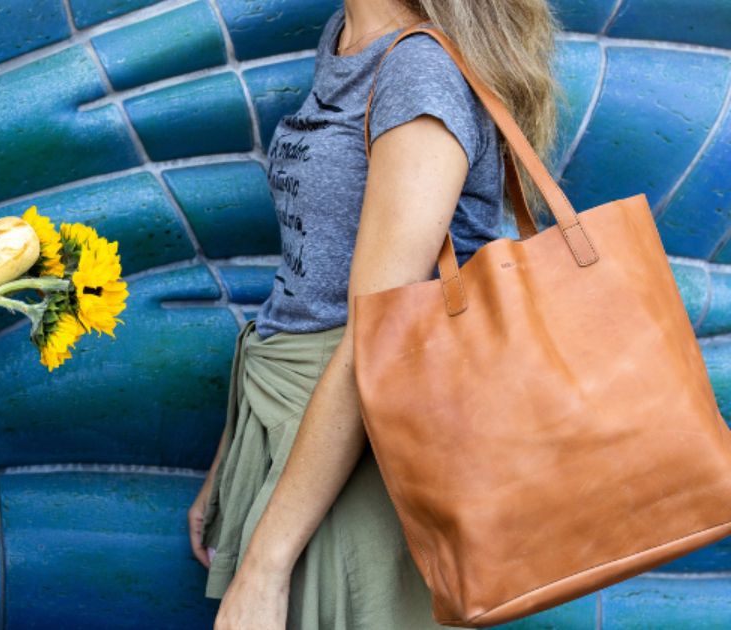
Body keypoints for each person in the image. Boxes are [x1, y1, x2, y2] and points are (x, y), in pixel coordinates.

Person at [187, 0, 560, 628]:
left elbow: (374, 340)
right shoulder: (348, 36)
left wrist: (265, 565)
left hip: (360, 455)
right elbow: (306, 288)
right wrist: (233, 461)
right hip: (294, 436)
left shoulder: (418, 69)